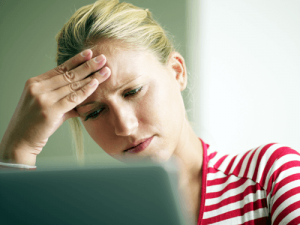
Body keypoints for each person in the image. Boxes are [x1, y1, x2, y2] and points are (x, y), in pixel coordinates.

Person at [0, 0, 299, 224]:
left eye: (133, 91)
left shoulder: (271, 177)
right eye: (94, 112)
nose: (124, 126)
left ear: (177, 72)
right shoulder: (93, 216)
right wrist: (17, 150)